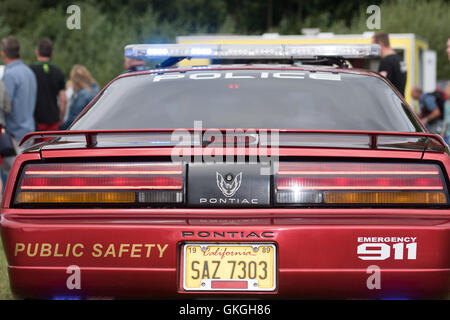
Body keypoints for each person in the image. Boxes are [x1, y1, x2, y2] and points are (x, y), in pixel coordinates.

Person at [0, 36, 37, 177]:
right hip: (28, 131)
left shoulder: (9, 75)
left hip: (13, 133)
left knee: (12, 176)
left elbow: (6, 105)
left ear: (3, 53)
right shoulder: (29, 72)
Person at [30, 38, 66, 131]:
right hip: (53, 120)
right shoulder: (59, 72)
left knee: (35, 146)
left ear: (36, 52)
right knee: (50, 145)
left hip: (35, 120)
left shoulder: (30, 71)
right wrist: (60, 117)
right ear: (52, 53)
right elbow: (63, 99)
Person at [60, 65, 99, 130]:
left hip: (82, 131)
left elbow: (75, 119)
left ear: (75, 81)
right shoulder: (96, 90)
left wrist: (61, 128)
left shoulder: (82, 95)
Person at [372, 31, 407, 96]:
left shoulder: (386, 61)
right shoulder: (400, 60)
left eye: (373, 45)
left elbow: (382, 86)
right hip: (400, 102)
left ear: (379, 44)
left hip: (390, 103)